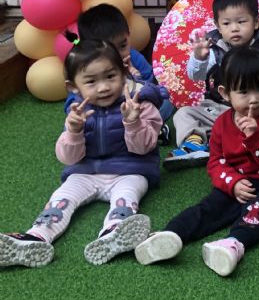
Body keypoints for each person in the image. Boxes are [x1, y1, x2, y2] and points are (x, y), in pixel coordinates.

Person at [135, 46, 259, 277]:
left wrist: (255, 137)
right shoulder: (222, 123)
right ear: (225, 93)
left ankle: (234, 244)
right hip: (239, 180)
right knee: (209, 207)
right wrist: (232, 183)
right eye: (244, 92)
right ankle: (170, 235)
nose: (254, 99)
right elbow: (216, 163)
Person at [0, 40, 160, 268]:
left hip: (131, 170)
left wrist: (133, 122)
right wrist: (74, 131)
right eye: (91, 81)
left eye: (110, 76)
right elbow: (68, 158)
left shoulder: (140, 104)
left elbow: (144, 148)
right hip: (85, 172)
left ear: (124, 72)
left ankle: (114, 231)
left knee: (126, 198)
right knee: (61, 199)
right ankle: (35, 236)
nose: (103, 87)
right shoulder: (77, 112)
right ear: (73, 86)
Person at [167, 0, 259, 169]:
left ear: (256, 22)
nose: (234, 28)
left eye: (241, 21)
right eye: (227, 23)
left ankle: (221, 140)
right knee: (184, 113)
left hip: (254, 112)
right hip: (219, 109)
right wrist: (200, 58)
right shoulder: (215, 50)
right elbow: (196, 76)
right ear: (217, 26)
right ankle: (194, 142)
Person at [67, 3, 174, 142]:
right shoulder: (85, 66)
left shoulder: (135, 58)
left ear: (129, 34)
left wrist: (137, 79)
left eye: (123, 45)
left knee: (168, 101)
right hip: (101, 115)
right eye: (110, 49)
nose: (118, 54)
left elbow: (151, 90)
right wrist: (76, 111)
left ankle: (151, 129)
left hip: (136, 111)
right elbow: (75, 97)